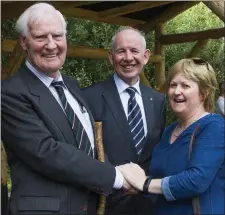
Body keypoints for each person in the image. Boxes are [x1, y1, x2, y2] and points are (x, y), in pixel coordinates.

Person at [1, 3, 134, 215]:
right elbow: (46, 152)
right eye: (41, 37)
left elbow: (89, 146)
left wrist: (116, 178)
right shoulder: (9, 93)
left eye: (57, 36)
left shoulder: (72, 86)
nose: (51, 45)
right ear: (24, 42)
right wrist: (115, 177)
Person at [119, 58, 225, 215]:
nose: (176, 91)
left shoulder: (214, 126)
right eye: (173, 85)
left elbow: (196, 180)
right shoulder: (169, 131)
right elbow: (161, 178)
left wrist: (145, 184)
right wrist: (135, 183)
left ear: (204, 93)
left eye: (185, 86)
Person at [83, 27, 166, 215]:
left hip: (149, 204)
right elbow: (86, 151)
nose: (128, 58)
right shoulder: (89, 97)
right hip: (107, 203)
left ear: (145, 56)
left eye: (134, 51)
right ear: (111, 57)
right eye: (121, 51)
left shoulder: (158, 100)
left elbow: (158, 151)